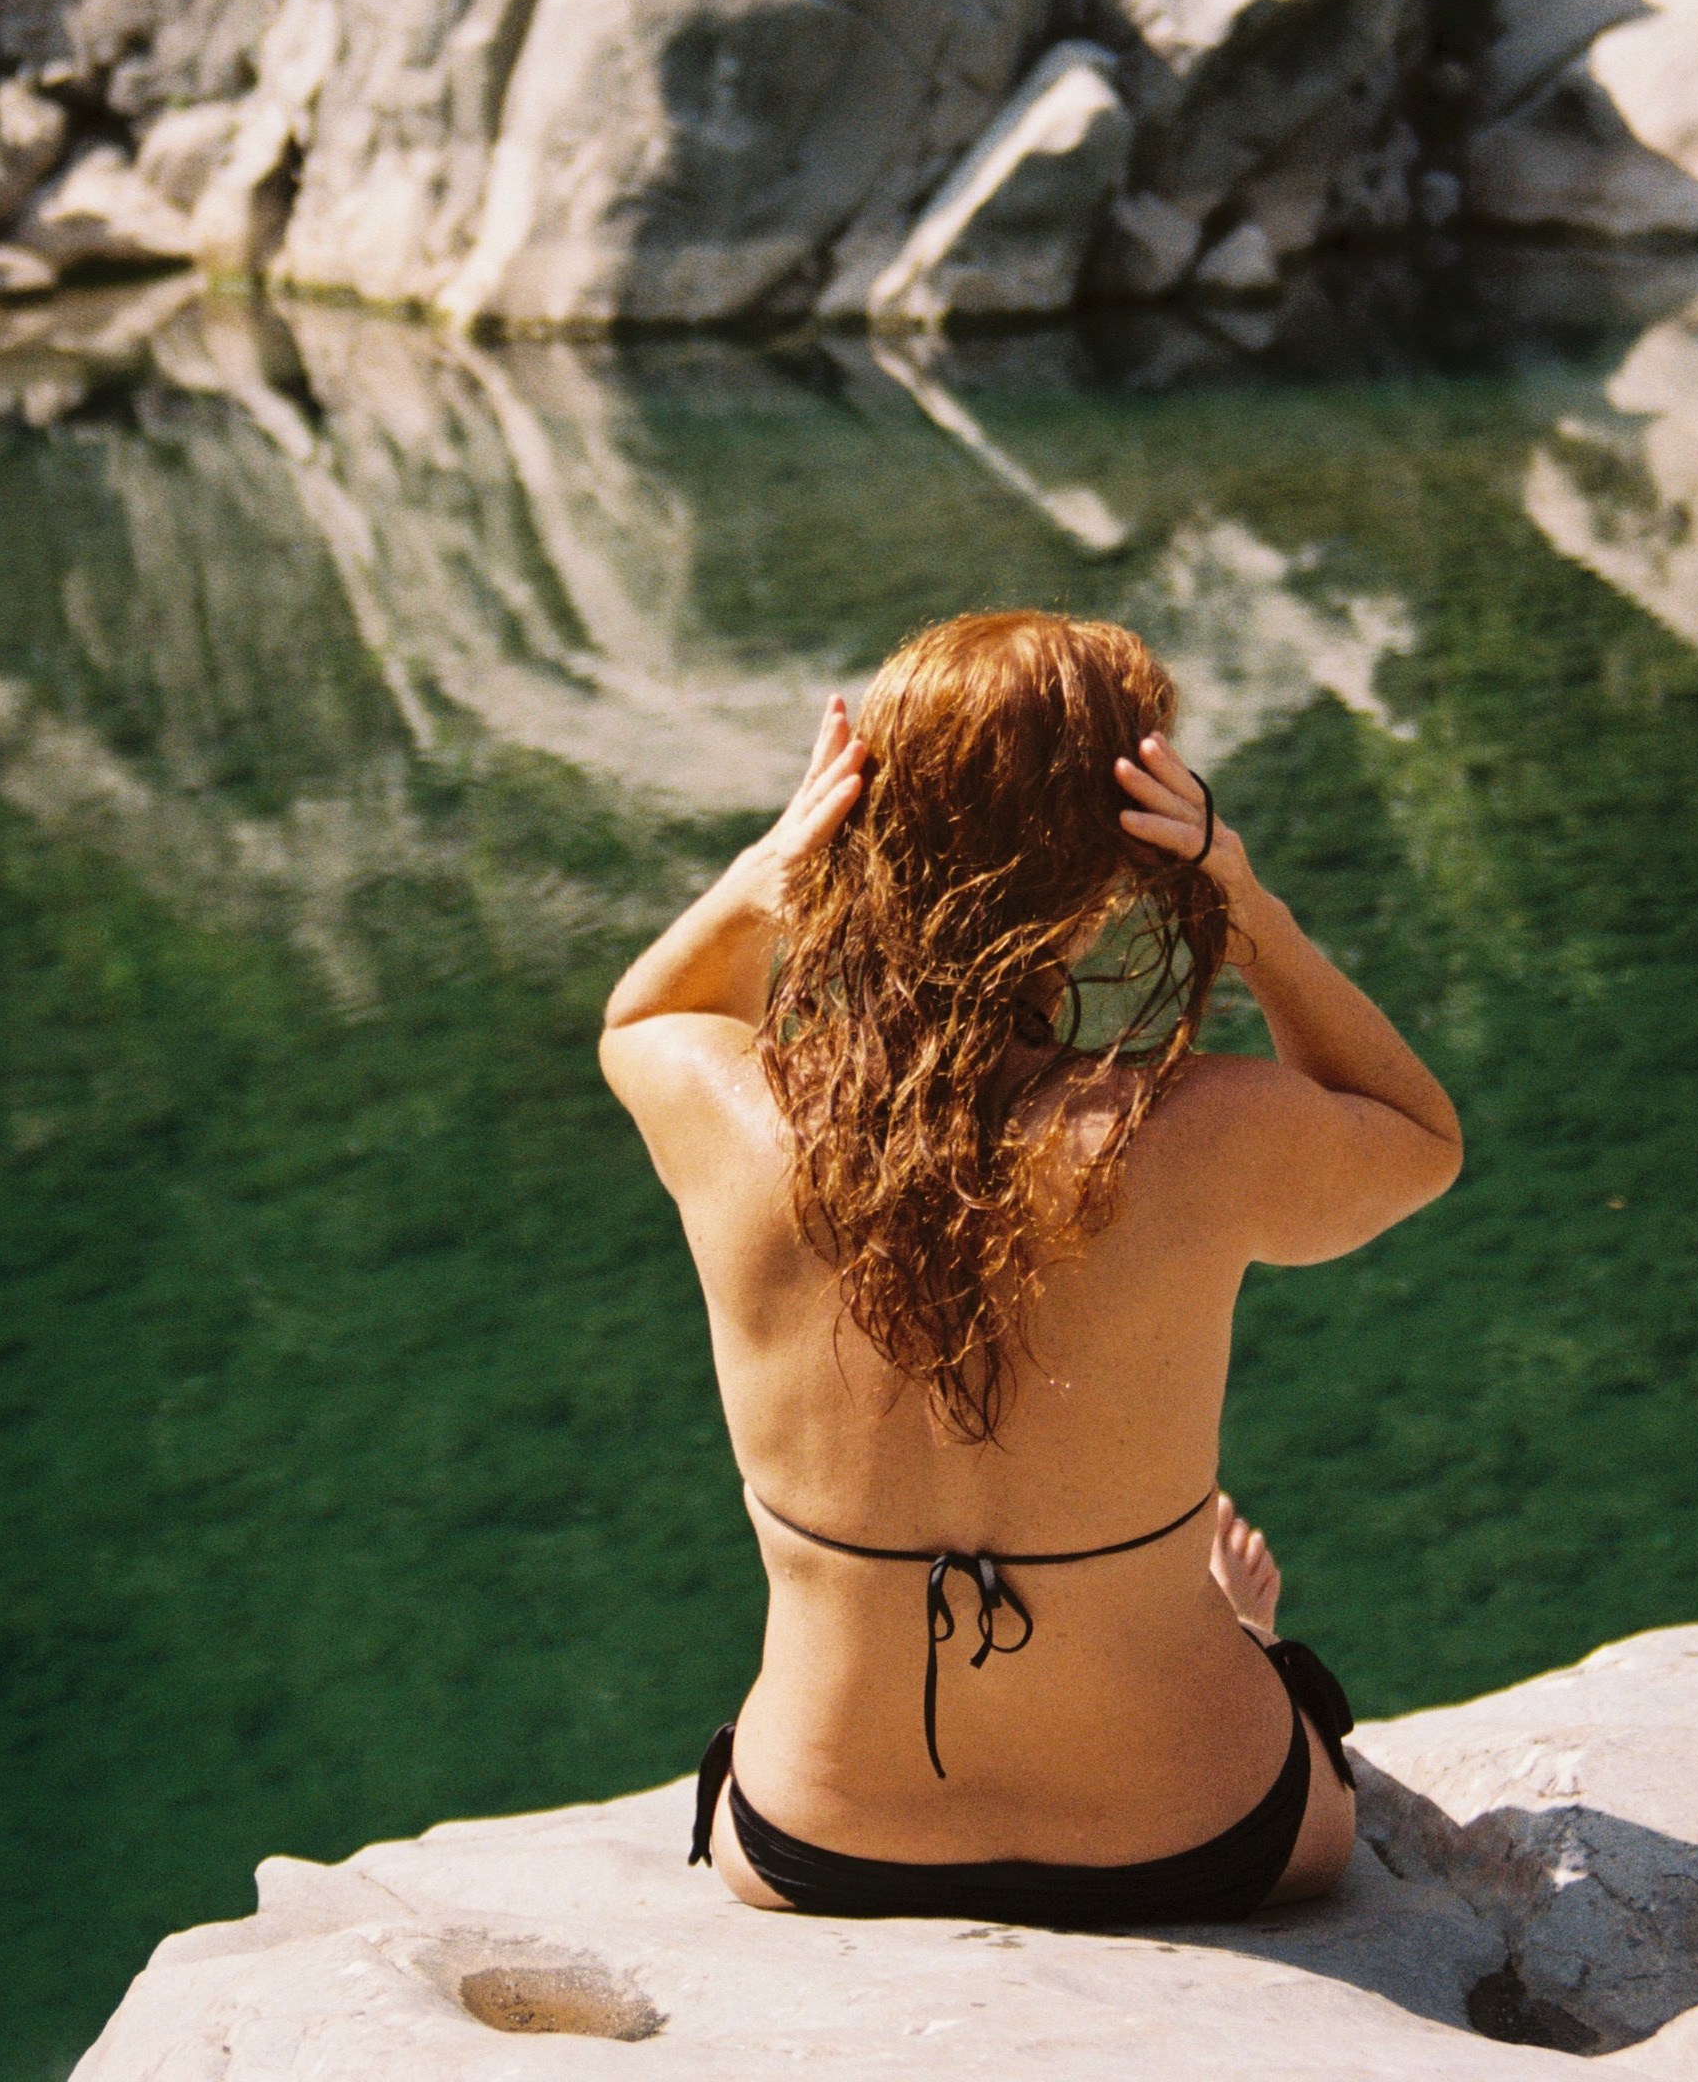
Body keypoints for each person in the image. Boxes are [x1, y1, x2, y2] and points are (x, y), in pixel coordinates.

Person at [599, 610, 1460, 1928]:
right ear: (1119, 865)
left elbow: (644, 1013)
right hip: (1200, 1833)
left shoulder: (739, 1121)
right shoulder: (1201, 1131)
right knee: (1243, 1645)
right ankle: (1235, 1640)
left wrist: (770, 870)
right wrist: (1249, 908)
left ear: (860, 832)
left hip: (817, 1842)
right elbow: (1420, 1141)